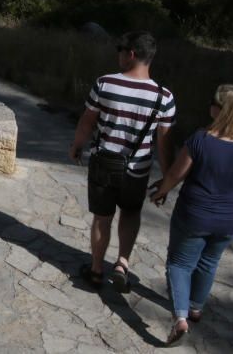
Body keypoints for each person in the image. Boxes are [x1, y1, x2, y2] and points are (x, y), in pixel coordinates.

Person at [149, 84, 233, 345]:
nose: (209, 105)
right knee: (208, 262)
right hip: (230, 221)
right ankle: (195, 308)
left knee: (179, 264)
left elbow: (175, 175)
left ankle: (180, 319)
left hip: (194, 215)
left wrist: (160, 192)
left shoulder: (200, 140)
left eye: (213, 101)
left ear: (222, 111)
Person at [69, 31, 176, 291]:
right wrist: (167, 179)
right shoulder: (165, 97)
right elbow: (164, 143)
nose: (117, 54)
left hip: (104, 163)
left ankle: (95, 270)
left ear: (131, 54)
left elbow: (87, 121)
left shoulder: (105, 84)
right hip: (137, 170)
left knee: (101, 218)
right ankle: (121, 264)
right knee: (130, 213)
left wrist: (77, 146)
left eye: (120, 49)